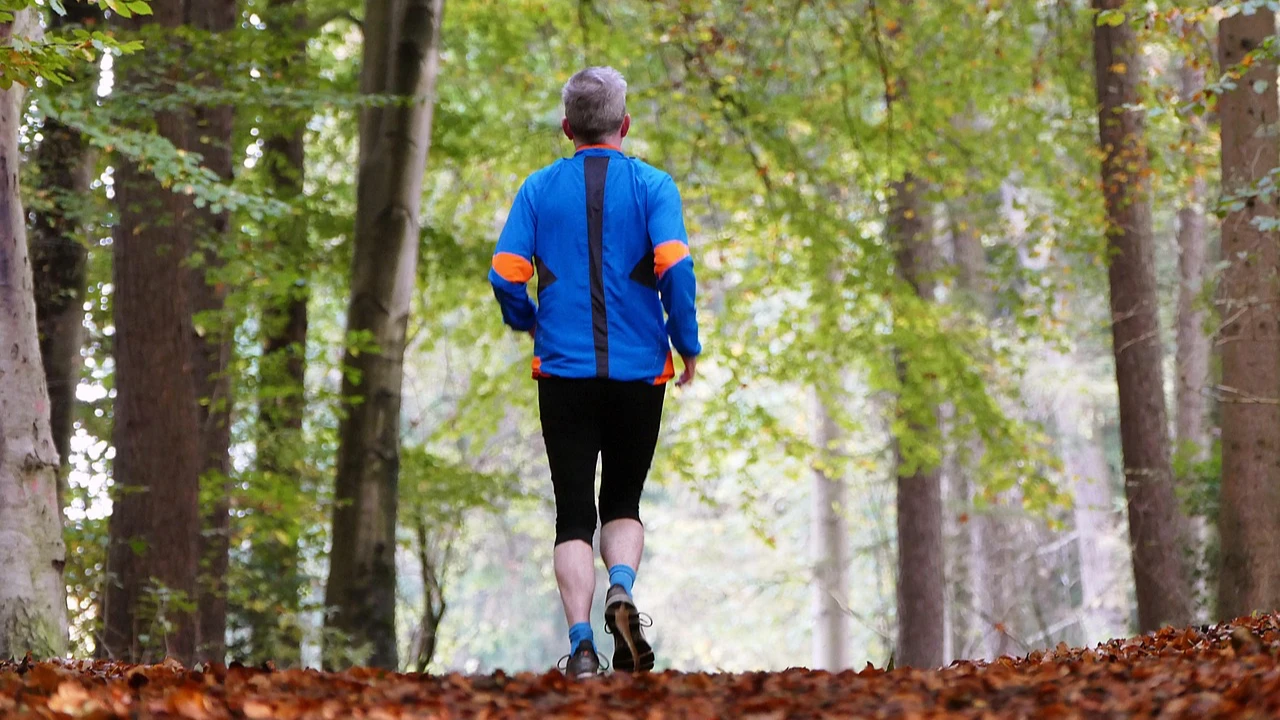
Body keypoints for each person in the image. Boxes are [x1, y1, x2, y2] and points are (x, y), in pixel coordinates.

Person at [487, 66, 701, 678]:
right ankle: (623, 589)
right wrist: (687, 344)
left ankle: (582, 645)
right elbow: (675, 269)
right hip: (639, 373)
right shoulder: (655, 186)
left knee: (574, 513)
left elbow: (505, 272)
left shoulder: (537, 189)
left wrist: (527, 319)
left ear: (566, 127)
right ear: (624, 125)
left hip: (563, 372)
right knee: (624, 502)